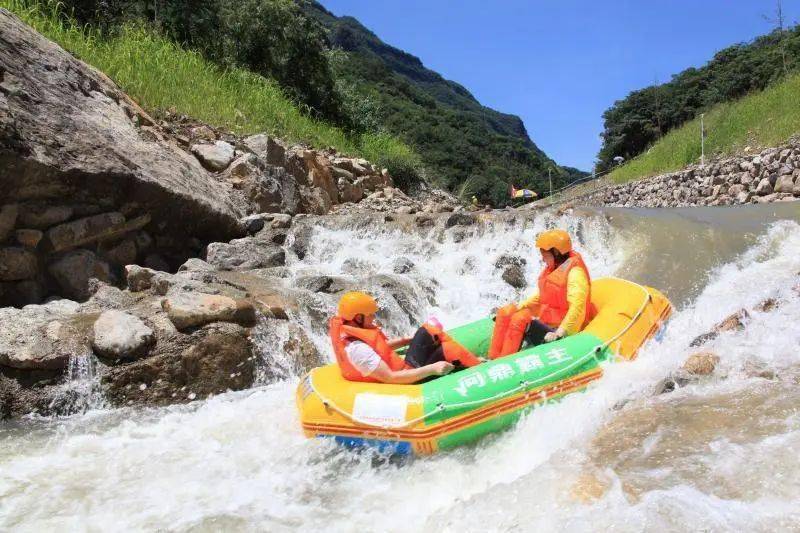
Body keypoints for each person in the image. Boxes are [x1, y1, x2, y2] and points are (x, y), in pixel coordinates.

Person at [489, 229, 596, 359]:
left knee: (521, 319)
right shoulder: (555, 269)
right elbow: (543, 297)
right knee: (507, 312)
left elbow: (577, 307)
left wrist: (560, 332)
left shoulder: (575, 273)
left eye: (544, 254)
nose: (542, 258)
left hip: (564, 332)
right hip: (550, 326)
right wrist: (519, 307)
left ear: (556, 252)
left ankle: (503, 361)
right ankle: (493, 358)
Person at [330, 292, 482, 383]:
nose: (374, 318)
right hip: (406, 374)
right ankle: (480, 367)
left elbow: (378, 348)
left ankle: (474, 363)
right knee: (434, 333)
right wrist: (433, 369)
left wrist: (406, 341)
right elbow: (391, 377)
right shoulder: (358, 351)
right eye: (370, 315)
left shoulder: (349, 333)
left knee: (441, 343)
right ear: (358, 317)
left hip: (402, 368)